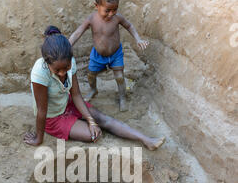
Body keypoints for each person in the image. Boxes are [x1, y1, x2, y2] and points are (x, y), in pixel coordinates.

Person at [24, 26, 165, 151]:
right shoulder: (40, 73)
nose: (62, 73)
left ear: (70, 59)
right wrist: (38, 139)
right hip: (52, 117)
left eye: (65, 68)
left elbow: (76, 95)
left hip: (67, 103)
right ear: (47, 63)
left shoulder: (69, 61)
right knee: (94, 135)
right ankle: (78, 123)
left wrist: (90, 120)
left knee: (103, 119)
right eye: (57, 70)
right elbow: (42, 111)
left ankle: (146, 140)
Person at [69, 0, 149, 112]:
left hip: (115, 54)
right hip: (97, 55)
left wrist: (138, 39)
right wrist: (68, 44)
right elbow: (78, 32)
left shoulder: (117, 18)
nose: (111, 13)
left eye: (115, 9)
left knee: (119, 77)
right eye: (107, 10)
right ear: (96, 6)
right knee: (91, 74)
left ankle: (122, 97)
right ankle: (93, 89)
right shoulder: (91, 19)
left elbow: (129, 26)